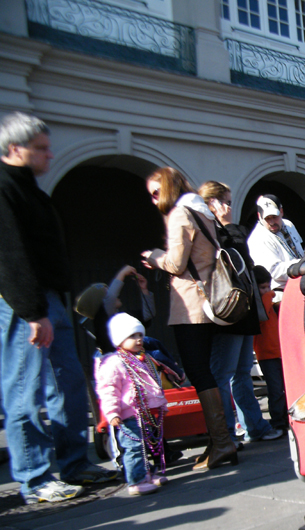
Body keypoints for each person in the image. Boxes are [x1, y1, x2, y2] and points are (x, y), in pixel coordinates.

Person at [0, 112, 117, 504]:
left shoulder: (32, 191)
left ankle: (74, 464)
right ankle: (35, 478)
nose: (50, 156)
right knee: (25, 389)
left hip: (50, 298)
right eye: (41, 149)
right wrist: (32, 312)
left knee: (67, 383)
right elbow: (9, 256)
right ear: (15, 149)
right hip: (24, 302)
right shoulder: (4, 188)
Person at [141, 167, 238, 469]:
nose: (154, 199)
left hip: (192, 307)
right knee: (206, 371)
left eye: (156, 192)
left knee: (199, 372)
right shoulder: (203, 212)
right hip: (211, 302)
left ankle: (222, 443)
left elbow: (175, 262)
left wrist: (154, 256)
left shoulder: (180, 214)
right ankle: (219, 442)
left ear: (168, 188)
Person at [197, 181, 282, 443]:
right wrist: (225, 225)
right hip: (228, 309)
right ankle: (227, 436)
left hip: (243, 309)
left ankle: (255, 427)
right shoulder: (207, 230)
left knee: (241, 372)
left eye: (229, 201)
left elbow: (243, 259)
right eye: (224, 201)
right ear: (210, 203)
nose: (228, 207)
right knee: (224, 374)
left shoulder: (226, 229)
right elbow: (230, 254)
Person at [95, 313, 168, 496]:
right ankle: (136, 481)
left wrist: (161, 405)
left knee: (148, 446)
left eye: (140, 335)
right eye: (132, 336)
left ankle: (147, 474)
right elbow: (108, 389)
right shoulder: (114, 363)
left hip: (147, 412)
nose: (138, 340)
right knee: (134, 448)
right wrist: (112, 412)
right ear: (119, 340)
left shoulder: (143, 359)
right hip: (128, 414)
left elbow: (153, 385)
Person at [247, 194, 304, 305]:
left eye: (274, 217)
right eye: (267, 218)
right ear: (259, 216)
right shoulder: (258, 238)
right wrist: (302, 263)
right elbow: (274, 271)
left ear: (281, 212)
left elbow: (298, 249)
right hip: (281, 295)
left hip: (301, 285)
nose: (272, 222)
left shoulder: (288, 224)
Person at [252, 266, 289, 432]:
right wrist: (269, 295)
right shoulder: (259, 305)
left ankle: (286, 418)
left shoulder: (269, 305)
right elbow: (262, 316)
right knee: (276, 390)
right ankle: (278, 421)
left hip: (279, 352)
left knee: (285, 388)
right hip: (267, 355)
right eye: (263, 288)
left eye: (268, 287)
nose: (268, 291)